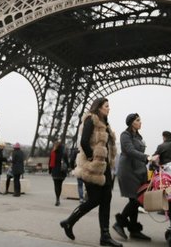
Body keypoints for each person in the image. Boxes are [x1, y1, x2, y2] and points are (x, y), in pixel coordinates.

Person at [60, 97, 122, 247]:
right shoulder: (91, 120)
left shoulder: (105, 124)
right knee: (94, 200)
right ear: (99, 107)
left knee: (106, 200)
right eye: (107, 106)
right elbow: (83, 142)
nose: (109, 108)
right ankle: (69, 222)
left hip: (106, 169)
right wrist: (92, 158)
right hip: (93, 168)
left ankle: (105, 236)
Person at [112, 113, 159, 241]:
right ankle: (120, 223)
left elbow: (138, 153)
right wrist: (148, 158)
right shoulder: (125, 135)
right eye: (138, 120)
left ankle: (133, 230)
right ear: (132, 122)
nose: (140, 122)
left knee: (135, 200)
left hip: (138, 171)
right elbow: (129, 150)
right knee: (136, 199)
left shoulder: (138, 136)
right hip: (128, 170)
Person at [49, 141, 69, 206]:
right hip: (62, 172)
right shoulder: (64, 153)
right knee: (60, 185)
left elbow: (50, 163)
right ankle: (58, 198)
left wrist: (50, 171)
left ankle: (57, 199)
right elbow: (67, 163)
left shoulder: (52, 153)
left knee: (56, 185)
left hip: (54, 172)